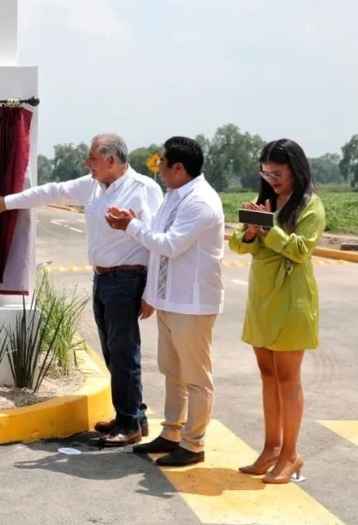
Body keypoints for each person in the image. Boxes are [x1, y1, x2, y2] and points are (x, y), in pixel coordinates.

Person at [0, 133, 163, 446]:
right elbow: (52, 192)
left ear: (110, 160)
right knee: (112, 352)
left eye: (92, 157)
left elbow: (158, 242)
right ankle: (134, 414)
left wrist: (153, 292)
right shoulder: (91, 184)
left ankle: (129, 423)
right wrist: (7, 202)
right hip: (103, 278)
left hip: (129, 280)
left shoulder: (144, 189)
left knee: (124, 353)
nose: (87, 163)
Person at [105, 136, 225, 467]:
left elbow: (170, 245)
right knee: (172, 370)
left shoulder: (200, 202)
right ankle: (172, 433)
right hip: (172, 301)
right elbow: (156, 242)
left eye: (162, 165)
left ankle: (194, 442)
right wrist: (152, 295)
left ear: (179, 168)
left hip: (193, 303)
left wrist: (129, 226)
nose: (158, 171)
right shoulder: (174, 196)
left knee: (196, 377)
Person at [228, 139, 323, 484]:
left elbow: (299, 250)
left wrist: (267, 229)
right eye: (266, 172)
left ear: (295, 169)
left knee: (287, 378)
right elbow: (238, 243)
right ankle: (270, 448)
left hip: (291, 300)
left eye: (278, 173)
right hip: (261, 297)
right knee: (267, 374)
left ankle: (290, 454)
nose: (272, 178)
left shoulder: (310, 205)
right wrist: (253, 230)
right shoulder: (264, 201)